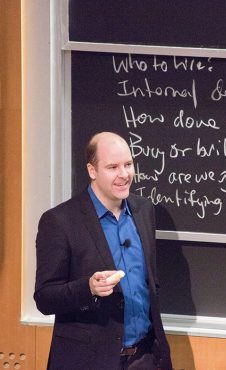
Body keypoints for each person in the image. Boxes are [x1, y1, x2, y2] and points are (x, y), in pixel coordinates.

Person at [34, 132, 172, 370]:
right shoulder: (59, 221)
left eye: (128, 164)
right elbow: (45, 298)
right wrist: (88, 288)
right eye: (112, 167)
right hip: (89, 360)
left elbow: (149, 283)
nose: (124, 174)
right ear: (92, 170)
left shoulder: (144, 210)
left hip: (145, 357)